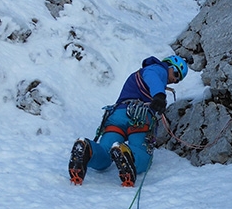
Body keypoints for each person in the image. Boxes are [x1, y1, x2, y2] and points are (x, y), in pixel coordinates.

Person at [68, 54, 188, 187]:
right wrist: (159, 95)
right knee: (142, 153)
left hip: (116, 115)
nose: (174, 79)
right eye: (176, 74)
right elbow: (152, 76)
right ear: (169, 66)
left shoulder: (141, 75)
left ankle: (87, 149)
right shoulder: (158, 69)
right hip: (138, 117)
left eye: (178, 80)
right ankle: (128, 154)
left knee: (105, 152)